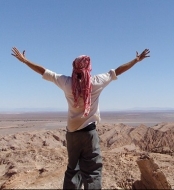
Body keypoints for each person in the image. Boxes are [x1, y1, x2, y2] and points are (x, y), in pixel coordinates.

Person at [11, 46, 150, 189]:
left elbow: (45, 72)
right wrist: (136, 60)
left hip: (72, 134)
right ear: (89, 67)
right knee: (93, 171)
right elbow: (117, 71)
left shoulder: (66, 82)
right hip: (89, 133)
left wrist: (25, 61)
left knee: (72, 169)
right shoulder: (96, 82)